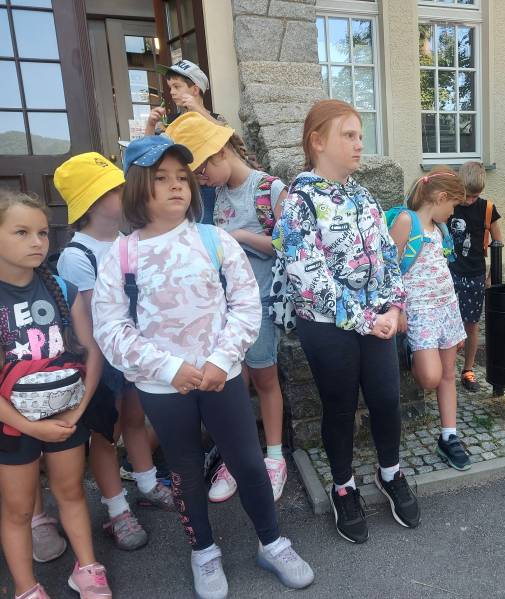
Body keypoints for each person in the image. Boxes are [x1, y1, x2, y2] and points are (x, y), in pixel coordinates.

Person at [91, 136, 313, 598]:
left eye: (182, 177)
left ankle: (272, 542)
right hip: (162, 387)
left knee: (247, 461)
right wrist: (167, 367)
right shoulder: (122, 256)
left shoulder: (215, 239)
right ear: (137, 187)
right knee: (185, 470)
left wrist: (221, 359)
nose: (176, 185)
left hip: (221, 379)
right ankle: (203, 551)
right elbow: (111, 327)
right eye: (161, 178)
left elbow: (246, 304)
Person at [273, 99, 420, 544]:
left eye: (360, 135)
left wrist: (394, 307)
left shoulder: (363, 195)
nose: (359, 144)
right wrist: (364, 320)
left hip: (376, 318)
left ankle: (390, 473)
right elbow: (308, 277)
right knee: (339, 406)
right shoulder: (299, 201)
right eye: (349, 135)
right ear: (318, 141)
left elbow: (386, 255)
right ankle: (343, 486)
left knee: (387, 398)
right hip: (327, 324)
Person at [165, 112, 290, 503]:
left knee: (265, 379)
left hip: (261, 301)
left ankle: (274, 457)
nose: (200, 180)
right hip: (224, 309)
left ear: (220, 152)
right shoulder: (215, 194)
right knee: (236, 385)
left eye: (201, 171)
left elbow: (289, 245)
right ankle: (239, 457)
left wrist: (239, 237)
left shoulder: (268, 188)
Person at [54, 153, 174, 553]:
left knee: (136, 418)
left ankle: (147, 482)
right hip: (103, 359)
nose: (125, 193)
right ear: (91, 202)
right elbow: (93, 315)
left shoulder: (128, 241)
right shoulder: (77, 256)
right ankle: (116, 509)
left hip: (135, 351)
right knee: (106, 434)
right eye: (115, 189)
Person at [0, 191, 112, 599]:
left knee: (71, 492)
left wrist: (78, 411)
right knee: (17, 510)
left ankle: (88, 568)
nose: (37, 242)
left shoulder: (63, 288)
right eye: (22, 232)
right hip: (12, 425)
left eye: (43, 233)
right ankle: (26, 587)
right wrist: (30, 427)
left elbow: (91, 350)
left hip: (66, 415)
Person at [389, 168, 470, 471]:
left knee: (448, 374)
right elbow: (389, 267)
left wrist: (455, 314)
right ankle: (411, 352)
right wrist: (399, 308)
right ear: (440, 197)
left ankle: (449, 436)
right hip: (420, 311)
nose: (453, 213)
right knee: (430, 378)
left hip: (447, 307)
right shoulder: (406, 221)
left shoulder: (440, 228)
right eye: (453, 205)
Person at [145, 59, 257, 224]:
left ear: (195, 89)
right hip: (185, 187)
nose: (172, 92)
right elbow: (150, 152)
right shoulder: (171, 121)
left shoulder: (215, 118)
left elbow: (228, 137)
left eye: (177, 86)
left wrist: (198, 110)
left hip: (212, 188)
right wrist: (150, 125)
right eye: (170, 87)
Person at [447, 162, 502, 391]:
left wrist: (491, 275)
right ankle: (446, 369)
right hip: (448, 273)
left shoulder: (487, 209)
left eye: (474, 196)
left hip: (475, 273)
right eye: (466, 195)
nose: (469, 201)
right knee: (448, 322)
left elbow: (498, 243)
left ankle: (468, 369)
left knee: (471, 324)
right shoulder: (449, 206)